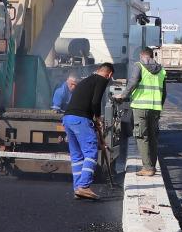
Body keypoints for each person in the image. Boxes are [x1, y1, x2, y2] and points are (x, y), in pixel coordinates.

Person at [62, 63, 113, 201]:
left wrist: (92, 119)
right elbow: (96, 102)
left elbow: (85, 101)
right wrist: (98, 117)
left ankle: (77, 188)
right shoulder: (101, 80)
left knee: (77, 156)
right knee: (91, 152)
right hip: (80, 119)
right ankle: (84, 186)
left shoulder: (85, 81)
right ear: (109, 74)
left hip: (68, 119)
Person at [117, 47, 166, 177]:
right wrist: (159, 107)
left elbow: (133, 82)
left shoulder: (139, 66)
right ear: (152, 56)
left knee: (141, 136)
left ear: (141, 55)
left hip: (140, 107)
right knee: (153, 137)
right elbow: (164, 93)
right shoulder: (161, 70)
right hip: (155, 108)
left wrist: (122, 96)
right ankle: (152, 166)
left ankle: (147, 168)